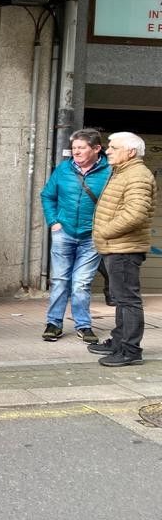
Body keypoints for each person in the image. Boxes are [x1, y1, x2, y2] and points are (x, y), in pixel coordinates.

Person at [88, 132, 157, 367]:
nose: (108, 150)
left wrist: (104, 231)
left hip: (124, 248)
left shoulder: (137, 175)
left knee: (128, 300)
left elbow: (135, 214)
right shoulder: (123, 172)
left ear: (130, 152)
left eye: (113, 147)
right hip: (116, 246)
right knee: (121, 298)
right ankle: (119, 341)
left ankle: (130, 350)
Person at [39, 129, 111, 344]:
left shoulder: (109, 172)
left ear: (96, 149)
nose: (76, 151)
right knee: (60, 280)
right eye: (74, 148)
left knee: (81, 283)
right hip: (64, 233)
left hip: (92, 236)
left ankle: (83, 325)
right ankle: (54, 323)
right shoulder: (63, 169)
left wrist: (104, 227)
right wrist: (54, 222)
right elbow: (47, 196)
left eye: (81, 147)